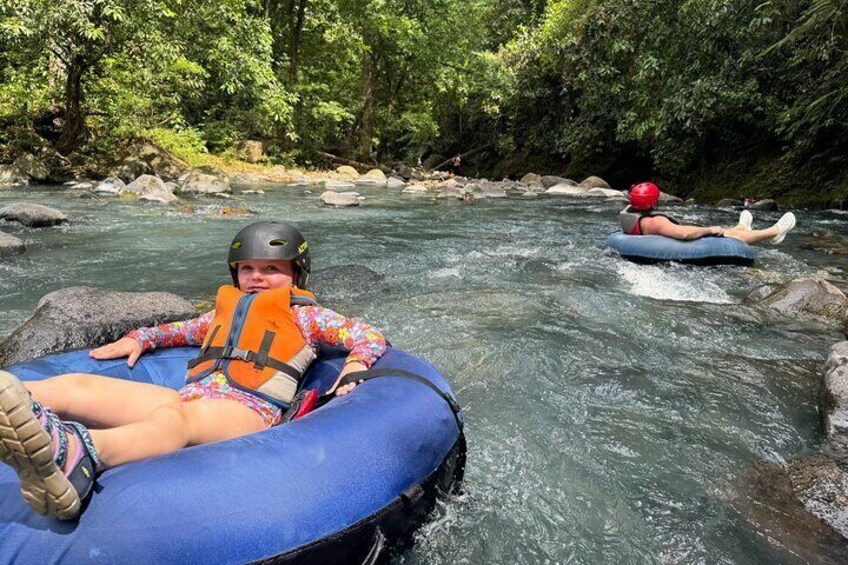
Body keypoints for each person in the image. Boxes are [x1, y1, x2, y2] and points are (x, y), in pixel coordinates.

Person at [0, 221, 387, 520]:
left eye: (271, 268)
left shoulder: (306, 317)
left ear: (297, 275)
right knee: (77, 385)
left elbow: (365, 334)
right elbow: (178, 330)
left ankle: (76, 456)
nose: (256, 277)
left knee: (176, 418)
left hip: (248, 412)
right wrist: (141, 338)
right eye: (247, 268)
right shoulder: (224, 311)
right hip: (192, 397)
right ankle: (14, 400)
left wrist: (355, 364)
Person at [619, 182, 797, 244]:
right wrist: (708, 230)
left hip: (662, 236)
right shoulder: (655, 222)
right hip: (682, 241)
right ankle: (774, 232)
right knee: (726, 235)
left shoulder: (631, 213)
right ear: (652, 202)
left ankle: (741, 226)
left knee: (726, 230)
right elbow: (685, 233)